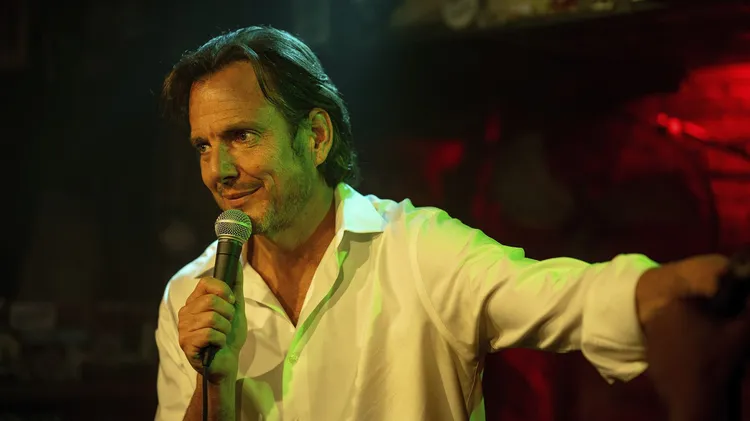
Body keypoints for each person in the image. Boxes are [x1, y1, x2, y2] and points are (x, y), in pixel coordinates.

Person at [154, 26, 747, 421]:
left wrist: (668, 286)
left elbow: (563, 297)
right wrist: (214, 384)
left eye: (242, 136)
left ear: (314, 137)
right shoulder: (189, 295)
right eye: (203, 146)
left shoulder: (417, 249)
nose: (219, 170)